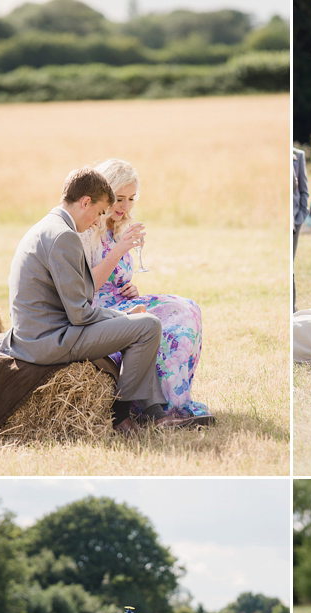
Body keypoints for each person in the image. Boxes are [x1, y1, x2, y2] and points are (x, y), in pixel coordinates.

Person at [0, 166, 189, 433]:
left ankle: (152, 412)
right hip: (49, 341)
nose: (97, 221)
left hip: (38, 334)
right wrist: (125, 317)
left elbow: (77, 294)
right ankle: (120, 419)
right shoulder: (64, 236)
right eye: (97, 212)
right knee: (148, 325)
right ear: (85, 202)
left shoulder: (48, 226)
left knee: (140, 323)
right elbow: (79, 314)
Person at [81, 158, 211, 424]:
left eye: (130, 198)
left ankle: (176, 400)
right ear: (103, 195)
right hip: (97, 307)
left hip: (121, 299)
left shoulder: (120, 227)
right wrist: (119, 251)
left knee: (187, 308)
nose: (125, 206)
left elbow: (117, 276)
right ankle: (161, 409)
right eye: (118, 198)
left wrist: (129, 286)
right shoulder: (87, 230)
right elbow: (87, 285)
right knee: (161, 321)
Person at [294, 146, 309, 311]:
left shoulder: (298, 155)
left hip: (295, 219)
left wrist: (301, 216)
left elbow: (303, 190)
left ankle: (292, 308)